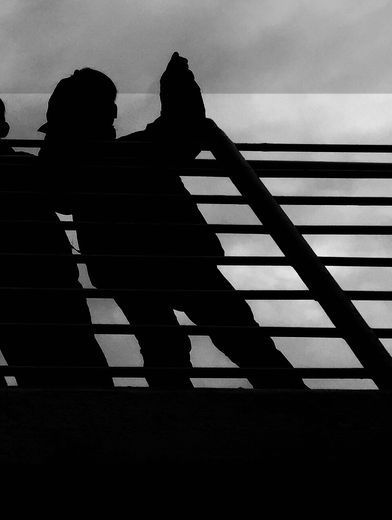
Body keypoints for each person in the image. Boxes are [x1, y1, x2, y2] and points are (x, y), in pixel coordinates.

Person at [39, 53, 305, 389]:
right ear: (109, 114)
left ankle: (176, 414)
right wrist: (177, 83)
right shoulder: (138, 150)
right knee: (239, 335)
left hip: (128, 269)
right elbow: (183, 128)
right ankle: (294, 401)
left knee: (166, 344)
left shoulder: (74, 169)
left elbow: (56, 194)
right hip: (183, 257)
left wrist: (57, 137)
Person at [0, 86, 111, 387]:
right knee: (87, 374)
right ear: (3, 128)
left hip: (5, 292)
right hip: (54, 286)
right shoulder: (26, 165)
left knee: (33, 377)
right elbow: (65, 199)